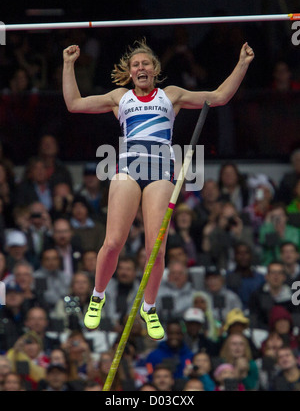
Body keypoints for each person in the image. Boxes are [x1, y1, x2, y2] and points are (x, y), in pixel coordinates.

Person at [62, 38, 254, 340]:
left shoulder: (171, 96)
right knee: (113, 243)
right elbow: (74, 104)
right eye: (135, 64)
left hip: (161, 171)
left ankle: (148, 308)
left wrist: (242, 63)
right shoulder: (119, 97)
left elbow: (219, 96)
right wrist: (68, 64)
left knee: (157, 249)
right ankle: (97, 297)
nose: (141, 68)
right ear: (129, 71)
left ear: (155, 69)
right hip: (127, 169)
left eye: (145, 64)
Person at [248, 262, 294, 330]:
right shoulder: (257, 295)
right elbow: (254, 319)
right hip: (263, 332)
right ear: (266, 276)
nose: (276, 276)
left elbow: (296, 317)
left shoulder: (293, 295)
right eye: (273, 272)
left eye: (279, 273)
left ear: (284, 277)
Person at [226, 242, 265, 309]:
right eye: (240, 253)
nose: (243, 256)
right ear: (235, 256)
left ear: (251, 256)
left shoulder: (260, 278)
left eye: (246, 253)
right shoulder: (228, 277)